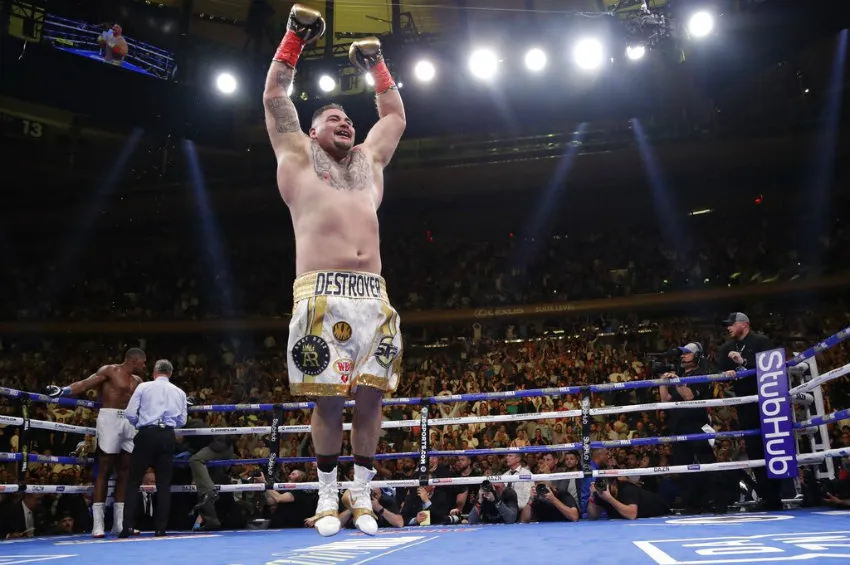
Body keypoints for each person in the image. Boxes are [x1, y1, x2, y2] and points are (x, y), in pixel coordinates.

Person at [262, 3, 406, 537]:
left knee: (371, 399)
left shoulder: (369, 164)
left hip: (375, 297)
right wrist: (296, 36)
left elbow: (393, 117)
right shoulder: (296, 156)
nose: (346, 121)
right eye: (333, 118)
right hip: (320, 293)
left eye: (349, 118)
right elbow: (276, 96)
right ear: (312, 129)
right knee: (327, 400)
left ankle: (361, 493)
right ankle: (326, 495)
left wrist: (377, 64)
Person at [46, 347, 147, 537]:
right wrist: (63, 390)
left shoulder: (139, 381)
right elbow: (85, 384)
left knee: (126, 470)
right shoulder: (110, 370)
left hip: (131, 421)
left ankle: (120, 524)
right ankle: (98, 524)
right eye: (143, 362)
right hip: (109, 419)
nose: (145, 365)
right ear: (134, 360)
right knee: (105, 469)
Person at [716, 312, 780, 510]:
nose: (728, 328)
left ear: (744, 324)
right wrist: (727, 374)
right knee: (754, 450)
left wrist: (744, 362)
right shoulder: (726, 348)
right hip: (745, 404)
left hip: (767, 400)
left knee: (774, 447)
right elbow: (721, 374)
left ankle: (776, 497)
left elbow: (771, 368)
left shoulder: (761, 342)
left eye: (731, 324)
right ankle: (765, 496)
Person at [118, 359, 187, 538]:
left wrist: (143, 424)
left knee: (133, 481)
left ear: (155, 372)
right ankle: (160, 529)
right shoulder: (179, 392)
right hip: (167, 436)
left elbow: (130, 413)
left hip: (146, 434)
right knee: (164, 484)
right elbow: (182, 421)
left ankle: (126, 528)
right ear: (170, 374)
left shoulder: (143, 387)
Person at [659, 342, 721, 513]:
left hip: (696, 424)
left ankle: (715, 501)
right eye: (682, 353)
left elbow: (689, 397)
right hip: (678, 425)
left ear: (698, 356)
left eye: (687, 353)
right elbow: (666, 401)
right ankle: (691, 503)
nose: (683, 356)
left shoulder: (701, 374)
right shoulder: (677, 375)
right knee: (683, 466)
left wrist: (677, 381)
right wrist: (662, 381)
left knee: (706, 462)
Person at [588, 478, 670, 520]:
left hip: (660, 511)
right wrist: (592, 496)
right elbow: (593, 516)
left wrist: (609, 498)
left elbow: (632, 515)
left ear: (614, 484)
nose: (604, 488)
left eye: (606, 484)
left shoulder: (627, 489)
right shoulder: (601, 492)